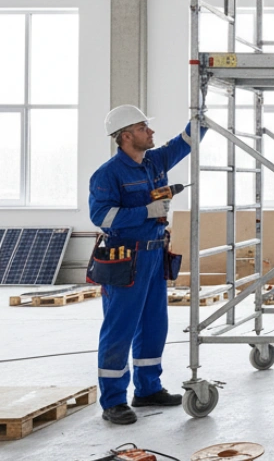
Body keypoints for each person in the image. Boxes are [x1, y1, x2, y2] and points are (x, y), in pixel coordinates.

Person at [88, 104, 206, 425]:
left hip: (155, 254)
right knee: (120, 328)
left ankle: (147, 389)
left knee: (154, 324)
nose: (151, 132)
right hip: (125, 258)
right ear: (126, 136)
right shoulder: (107, 174)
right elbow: (102, 216)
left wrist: (201, 118)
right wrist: (147, 212)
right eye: (143, 128)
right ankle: (113, 400)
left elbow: (183, 143)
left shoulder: (154, 161)